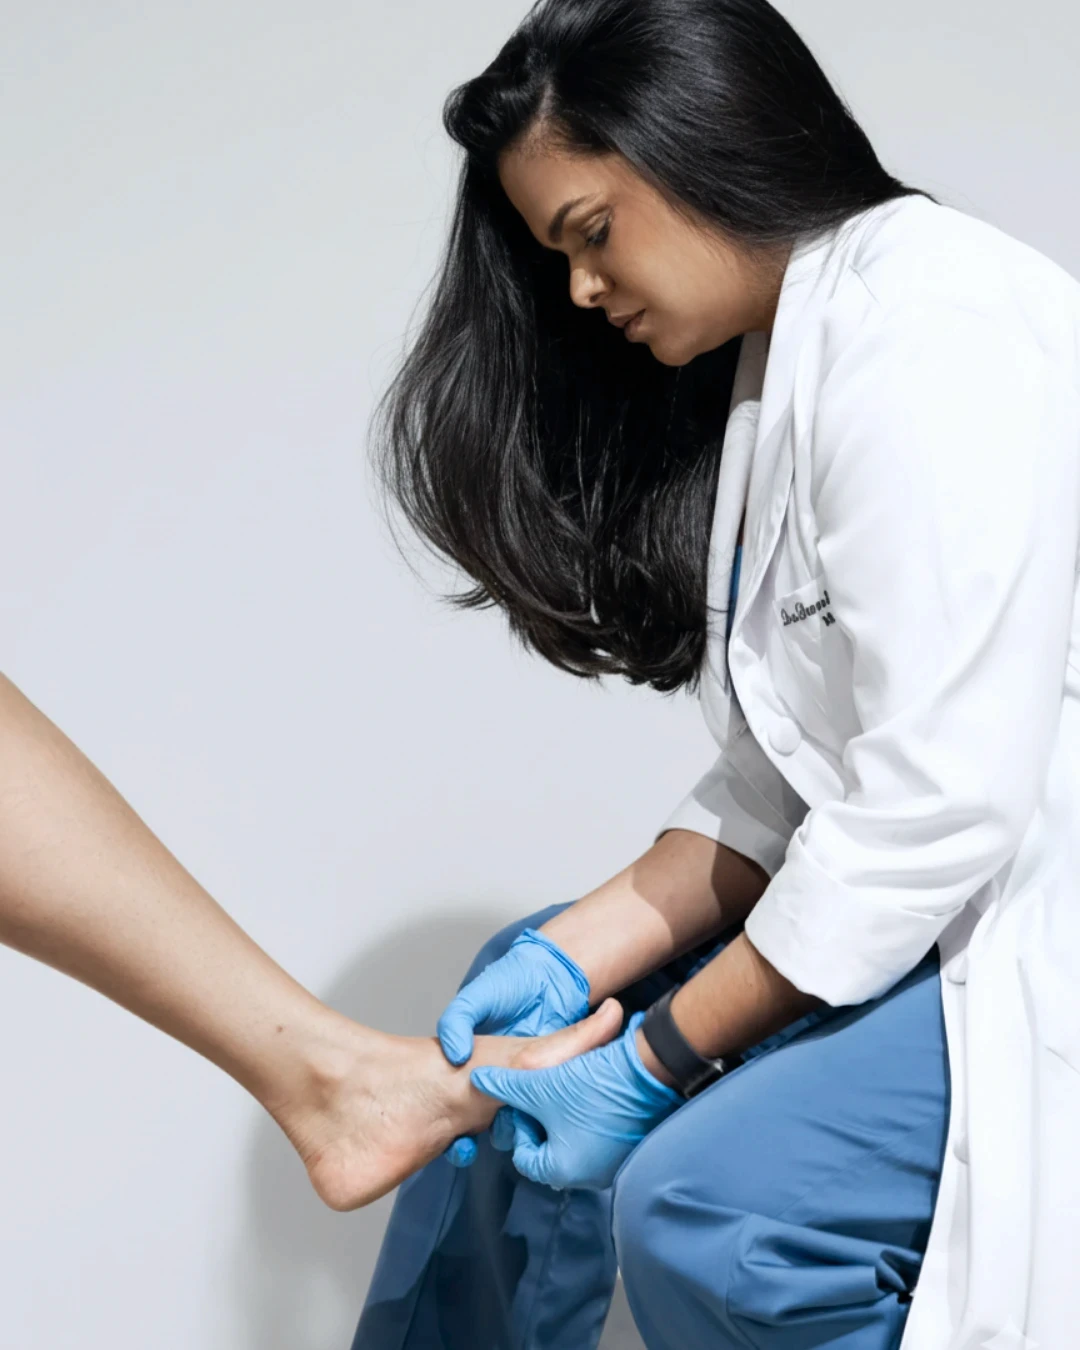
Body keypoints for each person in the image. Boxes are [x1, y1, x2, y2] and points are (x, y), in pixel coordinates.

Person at [353, 0, 1080, 1347]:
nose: (579, 290)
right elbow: (783, 774)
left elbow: (934, 806)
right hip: (918, 883)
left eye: (590, 233)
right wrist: (580, 953)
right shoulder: (784, 364)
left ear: (700, 145)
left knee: (710, 1201)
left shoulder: (936, 330)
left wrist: (651, 1059)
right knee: (516, 1000)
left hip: (1019, 915)